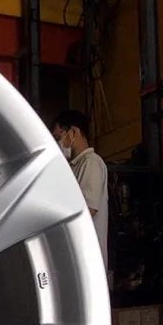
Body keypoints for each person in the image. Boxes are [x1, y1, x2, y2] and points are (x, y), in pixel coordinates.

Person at [51, 110, 109, 268]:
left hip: (88, 259)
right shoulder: (74, 167)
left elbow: (89, 209)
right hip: (77, 257)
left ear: (73, 132)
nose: (57, 144)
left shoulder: (91, 163)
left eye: (58, 137)